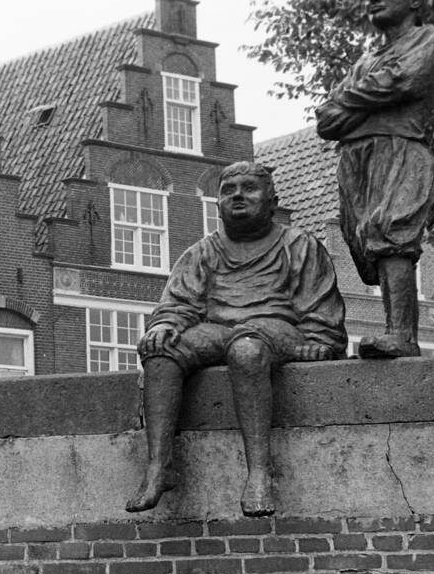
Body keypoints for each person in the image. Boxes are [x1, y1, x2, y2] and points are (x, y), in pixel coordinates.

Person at [126, 162, 346, 516]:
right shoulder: (202, 251)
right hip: (217, 328)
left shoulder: (300, 245)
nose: (238, 196)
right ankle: (159, 465)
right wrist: (163, 326)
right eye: (229, 190)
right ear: (218, 203)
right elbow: (179, 302)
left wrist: (318, 339)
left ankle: (259, 472)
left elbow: (319, 305)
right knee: (162, 351)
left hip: (275, 328)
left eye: (249, 188)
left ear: (272, 200)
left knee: (246, 349)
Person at [315, 0, 434, 358]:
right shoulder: (365, 61)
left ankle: (401, 335)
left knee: (392, 235)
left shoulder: (426, 38)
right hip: (356, 159)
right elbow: (326, 120)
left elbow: (405, 80)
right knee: (364, 246)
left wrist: (350, 102)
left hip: (400, 149)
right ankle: (395, 331)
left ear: (415, 1)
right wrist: (369, 97)